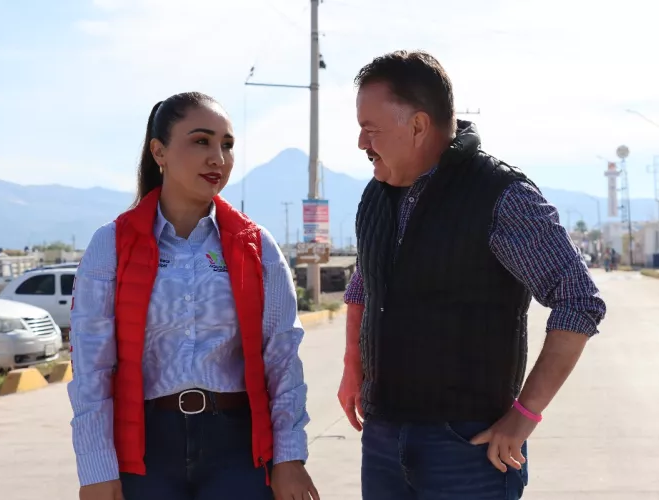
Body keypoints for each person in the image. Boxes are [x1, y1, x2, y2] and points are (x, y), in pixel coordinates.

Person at [337, 51, 607, 499]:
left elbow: (578, 299)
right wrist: (353, 368)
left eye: (371, 129)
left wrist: (525, 415)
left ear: (418, 126)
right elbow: (363, 284)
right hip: (383, 438)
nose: (362, 142)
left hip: (467, 446)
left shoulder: (501, 196)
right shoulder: (376, 196)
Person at [68, 92, 319, 500]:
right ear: (159, 152)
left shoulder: (257, 246)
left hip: (238, 450)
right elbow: (90, 369)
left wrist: (290, 457)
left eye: (227, 145)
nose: (218, 158)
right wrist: (96, 468)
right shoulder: (112, 244)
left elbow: (283, 357)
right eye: (201, 141)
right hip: (145, 449)